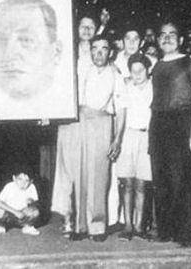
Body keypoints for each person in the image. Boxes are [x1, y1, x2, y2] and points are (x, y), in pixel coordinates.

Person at [149, 21, 191, 247]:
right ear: (158, 40)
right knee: (161, 179)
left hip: (182, 123)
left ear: (180, 40)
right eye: (162, 35)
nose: (167, 38)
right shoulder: (156, 66)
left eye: (172, 34)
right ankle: (166, 231)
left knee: (183, 179)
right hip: (158, 124)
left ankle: (186, 233)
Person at [71, 35, 127, 242]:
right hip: (80, 122)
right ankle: (80, 226)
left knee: (99, 176)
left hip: (103, 123)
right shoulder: (82, 69)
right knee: (80, 174)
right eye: (95, 48)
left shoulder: (115, 75)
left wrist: (117, 139)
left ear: (110, 52)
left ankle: (97, 226)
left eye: (103, 49)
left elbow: (121, 109)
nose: (99, 53)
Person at [0, 0, 73, 120]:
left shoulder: (65, 109)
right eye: (0, 41)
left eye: (26, 40)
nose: (9, 53)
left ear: (56, 52)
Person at [51, 15, 96, 236]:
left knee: (88, 170)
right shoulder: (66, 52)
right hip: (68, 117)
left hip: (92, 118)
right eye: (83, 26)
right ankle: (67, 217)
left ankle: (85, 221)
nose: (86, 30)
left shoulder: (101, 53)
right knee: (67, 168)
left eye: (91, 26)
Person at [116, 53, 154, 241]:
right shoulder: (125, 86)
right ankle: (128, 225)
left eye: (141, 70)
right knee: (127, 183)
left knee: (141, 184)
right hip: (128, 135)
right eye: (133, 71)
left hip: (146, 136)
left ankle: (139, 226)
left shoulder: (155, 87)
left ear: (148, 70)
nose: (137, 74)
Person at [0, 171, 41, 236]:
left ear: (31, 181)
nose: (23, 183)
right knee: (0, 212)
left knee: (35, 212)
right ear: (14, 178)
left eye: (26, 180)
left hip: (23, 213)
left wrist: (31, 202)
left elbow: (35, 203)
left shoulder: (32, 187)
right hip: (9, 212)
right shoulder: (9, 186)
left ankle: (28, 227)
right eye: (20, 179)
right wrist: (16, 212)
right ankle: (1, 226)